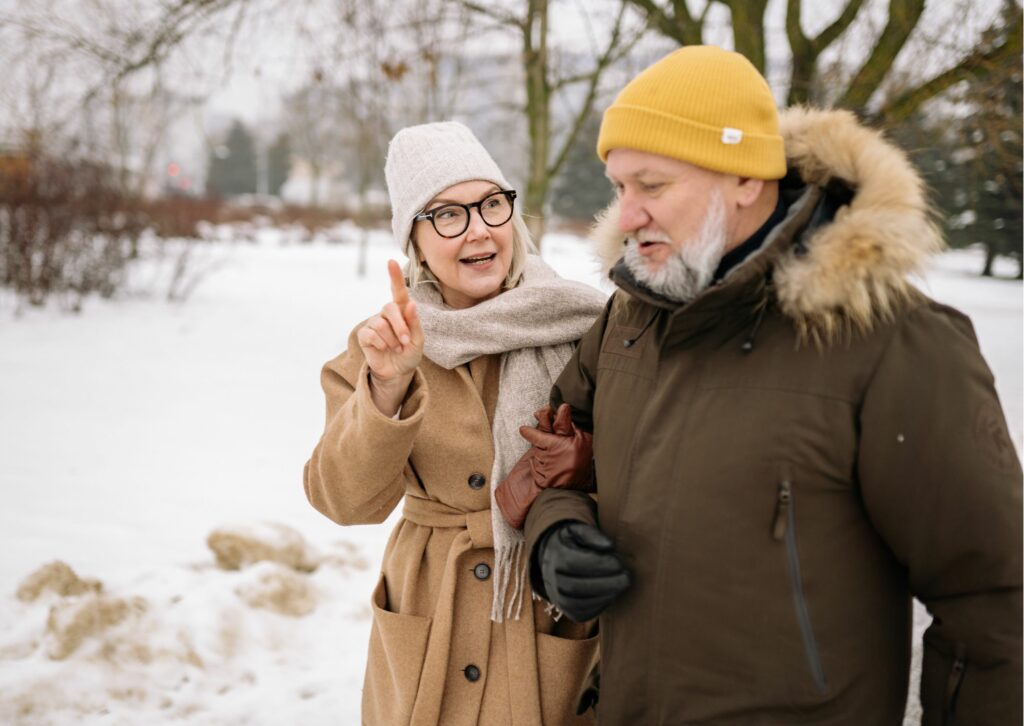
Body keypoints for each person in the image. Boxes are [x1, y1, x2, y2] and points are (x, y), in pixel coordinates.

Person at [498, 46, 1023, 724]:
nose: (625, 217)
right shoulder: (627, 321)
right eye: (618, 187)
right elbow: (548, 457)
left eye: (652, 186)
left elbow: (994, 601)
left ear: (745, 178)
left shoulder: (893, 344)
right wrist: (554, 536)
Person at [303, 121, 607, 725]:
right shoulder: (385, 344)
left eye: (491, 204)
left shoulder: (585, 328)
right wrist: (386, 390)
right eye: (446, 214)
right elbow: (343, 501)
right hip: (432, 615)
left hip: (545, 605)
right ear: (413, 241)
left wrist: (588, 468)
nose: (478, 230)